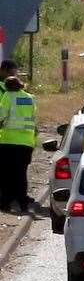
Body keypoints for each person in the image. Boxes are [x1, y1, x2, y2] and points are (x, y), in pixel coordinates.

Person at [0, 75, 38, 214]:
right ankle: (23, 204)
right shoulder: (30, 97)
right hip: (26, 143)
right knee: (21, 174)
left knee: (6, 174)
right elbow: (33, 118)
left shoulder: (8, 96)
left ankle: (5, 203)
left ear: (7, 87)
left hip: (9, 141)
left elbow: (1, 115)